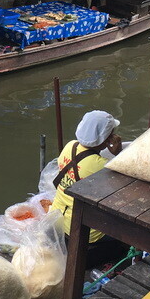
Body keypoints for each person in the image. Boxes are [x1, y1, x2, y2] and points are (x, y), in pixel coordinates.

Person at [51, 110, 130, 267]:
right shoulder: (100, 166)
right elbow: (124, 186)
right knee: (128, 229)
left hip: (58, 219)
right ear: (106, 140)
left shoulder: (69, 146)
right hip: (85, 232)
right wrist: (118, 153)